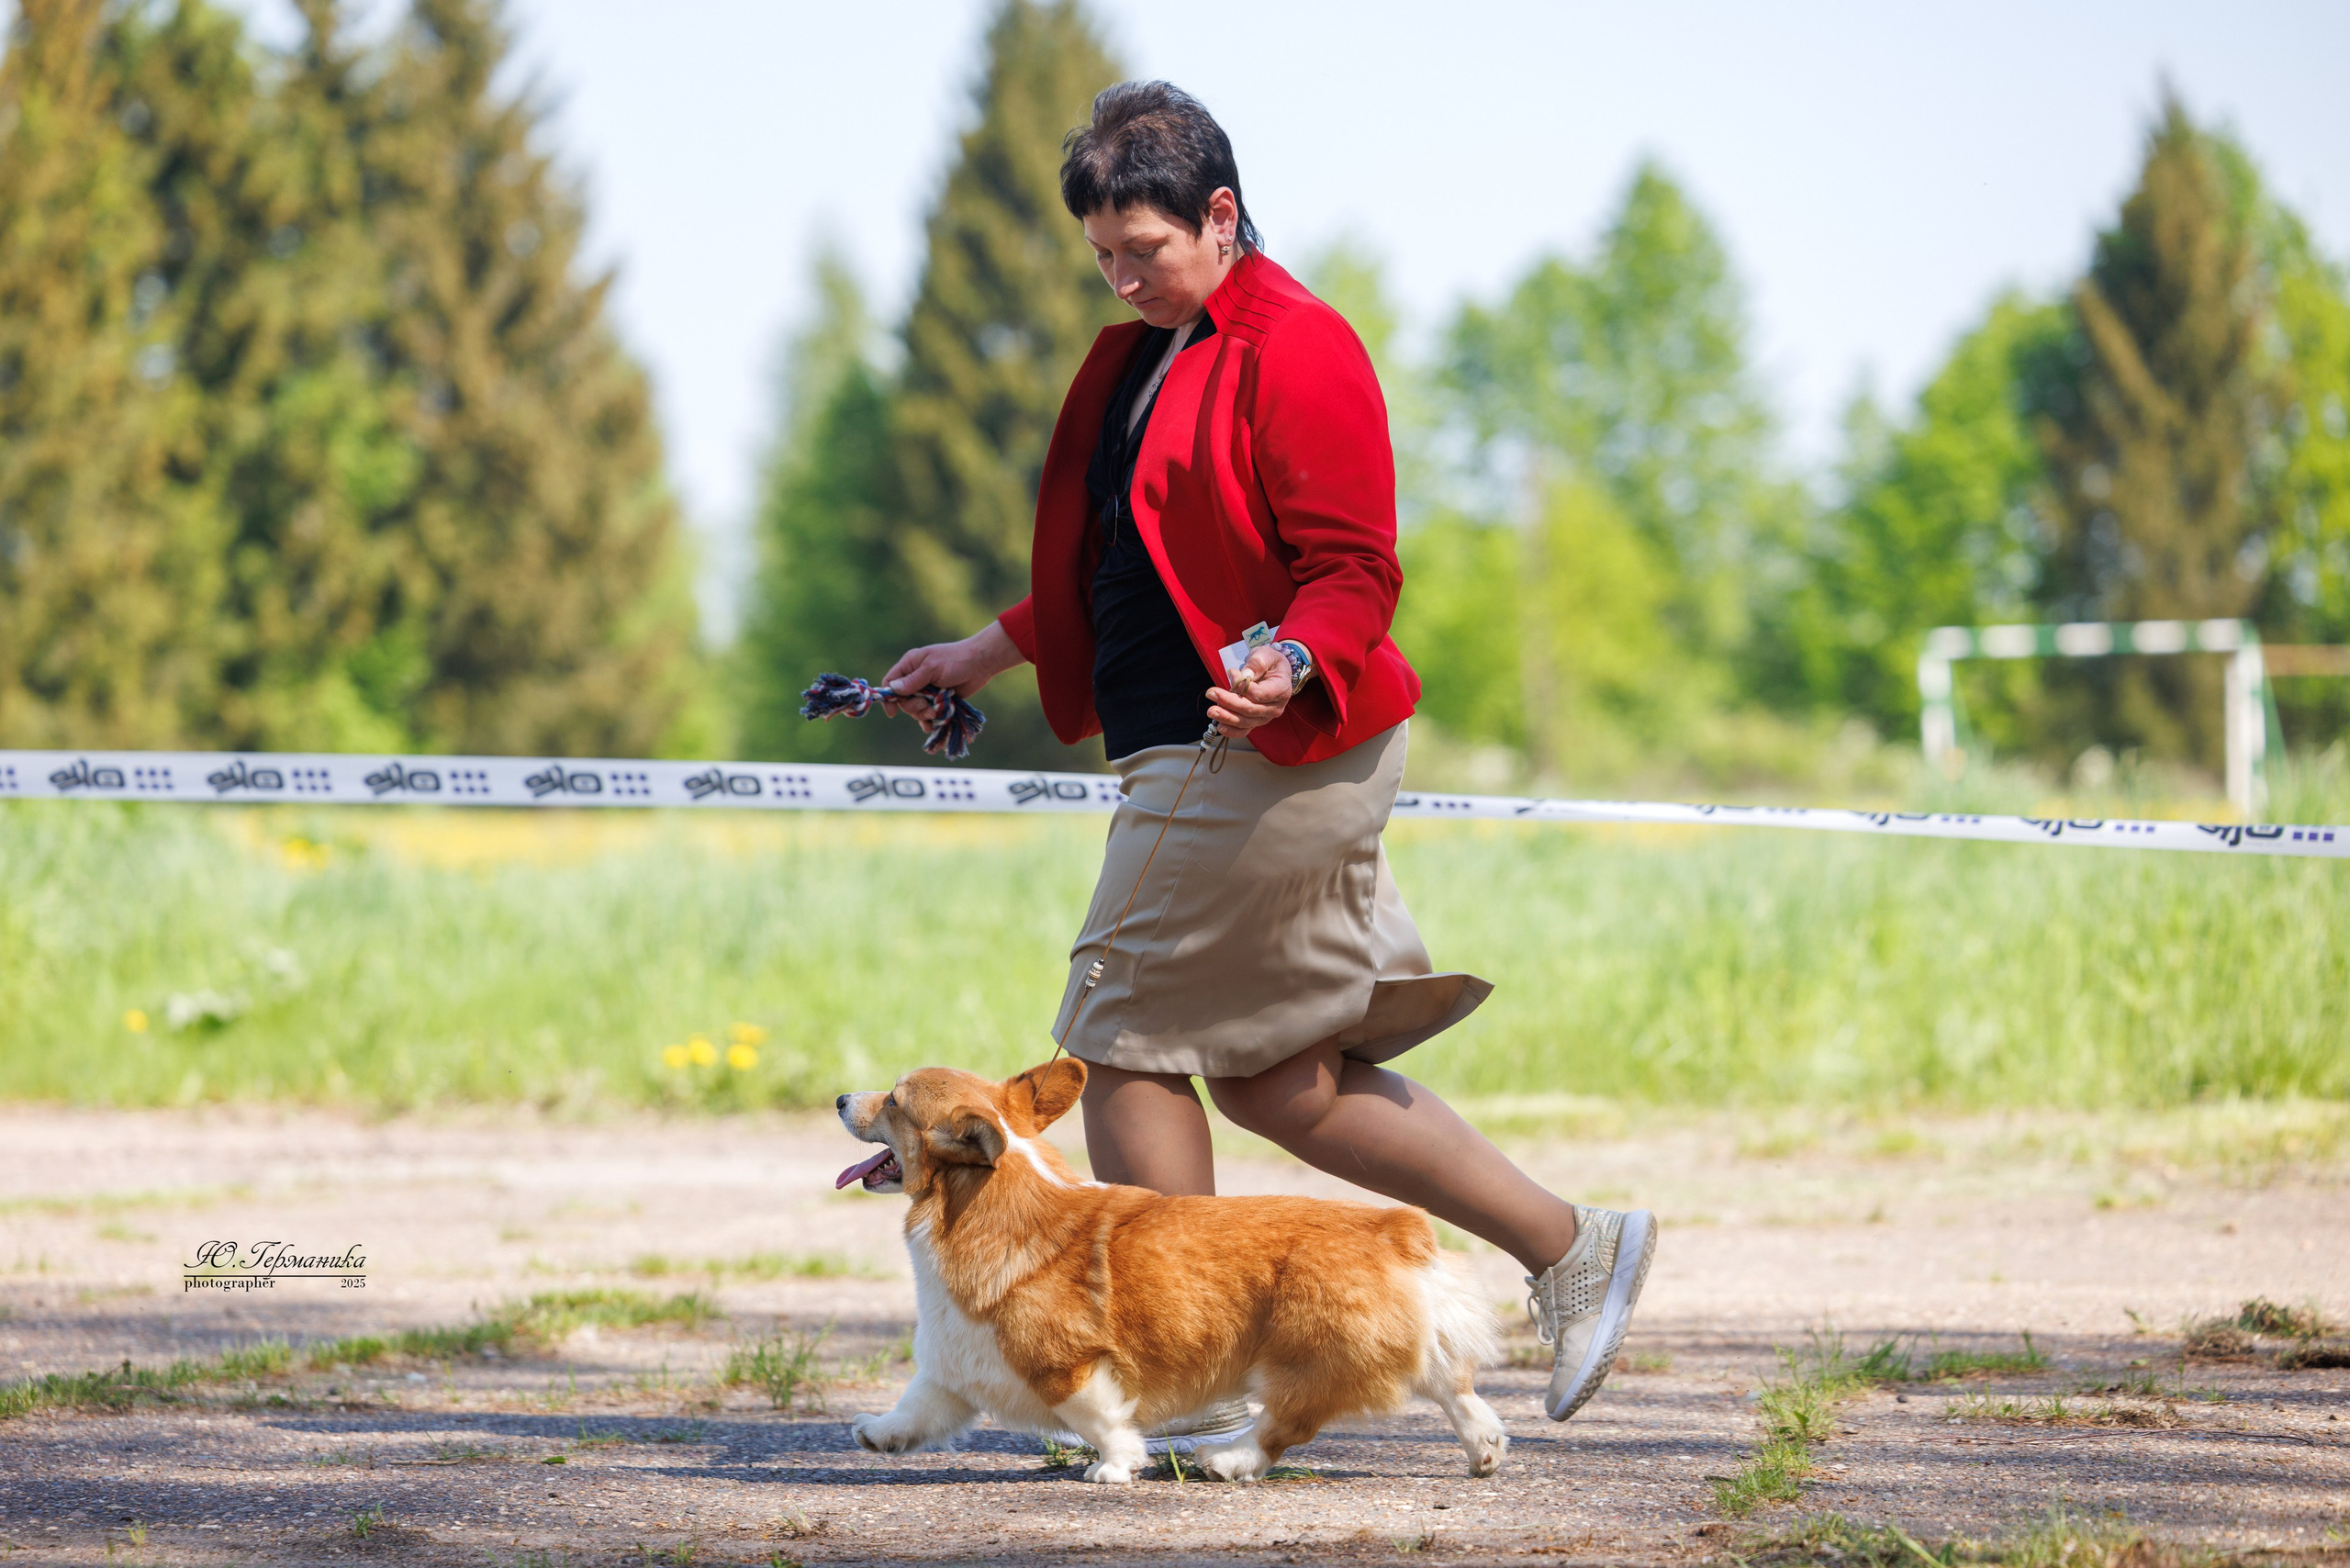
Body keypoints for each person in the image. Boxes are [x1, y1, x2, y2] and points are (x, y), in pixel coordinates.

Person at [881, 81, 1652, 1427]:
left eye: (1146, 249)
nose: (1122, 279)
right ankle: (1572, 1246)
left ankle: (1176, 1382)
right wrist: (981, 654)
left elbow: (1354, 569)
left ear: (1221, 213)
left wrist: (1289, 656)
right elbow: (1127, 570)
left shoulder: (1299, 346)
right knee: (1277, 1083)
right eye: (1103, 256)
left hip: (1252, 748)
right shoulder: (1143, 355)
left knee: (1114, 1035)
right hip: (1187, 749)